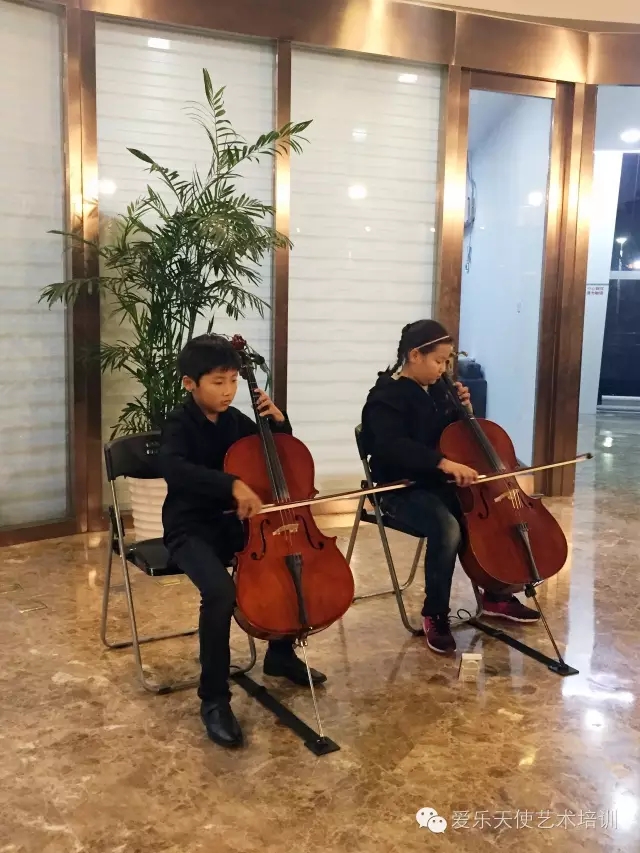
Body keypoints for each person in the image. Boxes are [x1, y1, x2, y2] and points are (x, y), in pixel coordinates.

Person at [158, 334, 326, 749]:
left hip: (238, 526)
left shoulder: (235, 421)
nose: (229, 390)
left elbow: (276, 455)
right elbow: (175, 469)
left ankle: (280, 654)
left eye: (233, 380)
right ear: (190, 383)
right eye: (218, 382)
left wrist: (279, 424)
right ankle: (214, 699)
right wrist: (230, 484)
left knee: (284, 559)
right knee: (220, 592)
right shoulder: (178, 424)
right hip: (190, 528)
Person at [360, 319, 540, 655]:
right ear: (414, 355)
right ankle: (435, 613)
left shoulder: (440, 390)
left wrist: (465, 410)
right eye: (438, 361)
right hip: (401, 488)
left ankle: (496, 594)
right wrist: (441, 463)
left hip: (442, 483)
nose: (443, 369)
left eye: (447, 362)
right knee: (447, 527)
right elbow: (390, 446)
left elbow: (458, 437)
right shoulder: (385, 396)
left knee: (487, 516)